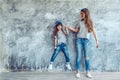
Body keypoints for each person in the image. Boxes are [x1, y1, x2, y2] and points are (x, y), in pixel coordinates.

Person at [66, 8, 99, 78]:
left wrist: (97, 41)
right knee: (79, 56)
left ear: (86, 14)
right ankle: (77, 71)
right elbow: (76, 30)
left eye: (82, 14)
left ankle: (88, 72)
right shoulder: (79, 22)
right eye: (81, 13)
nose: (81, 15)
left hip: (86, 41)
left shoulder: (90, 22)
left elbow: (94, 31)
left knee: (87, 57)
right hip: (79, 40)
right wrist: (69, 27)